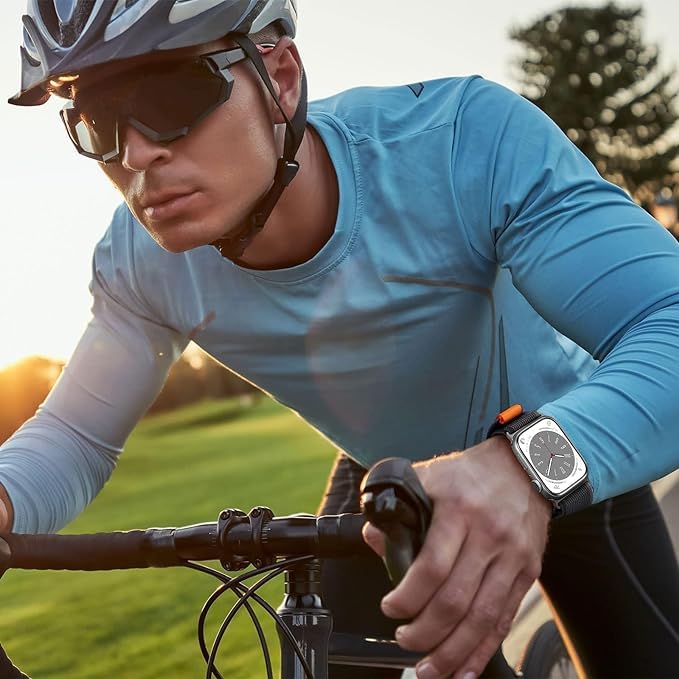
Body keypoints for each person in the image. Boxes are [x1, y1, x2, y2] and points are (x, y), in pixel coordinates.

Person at [3, 1, 679, 678]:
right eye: (97, 120)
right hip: (385, 475)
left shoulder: (461, 141)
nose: (135, 153)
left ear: (281, 78)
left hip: (563, 448)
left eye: (171, 95)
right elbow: (76, 435)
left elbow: (667, 319)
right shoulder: (139, 262)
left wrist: (525, 470)